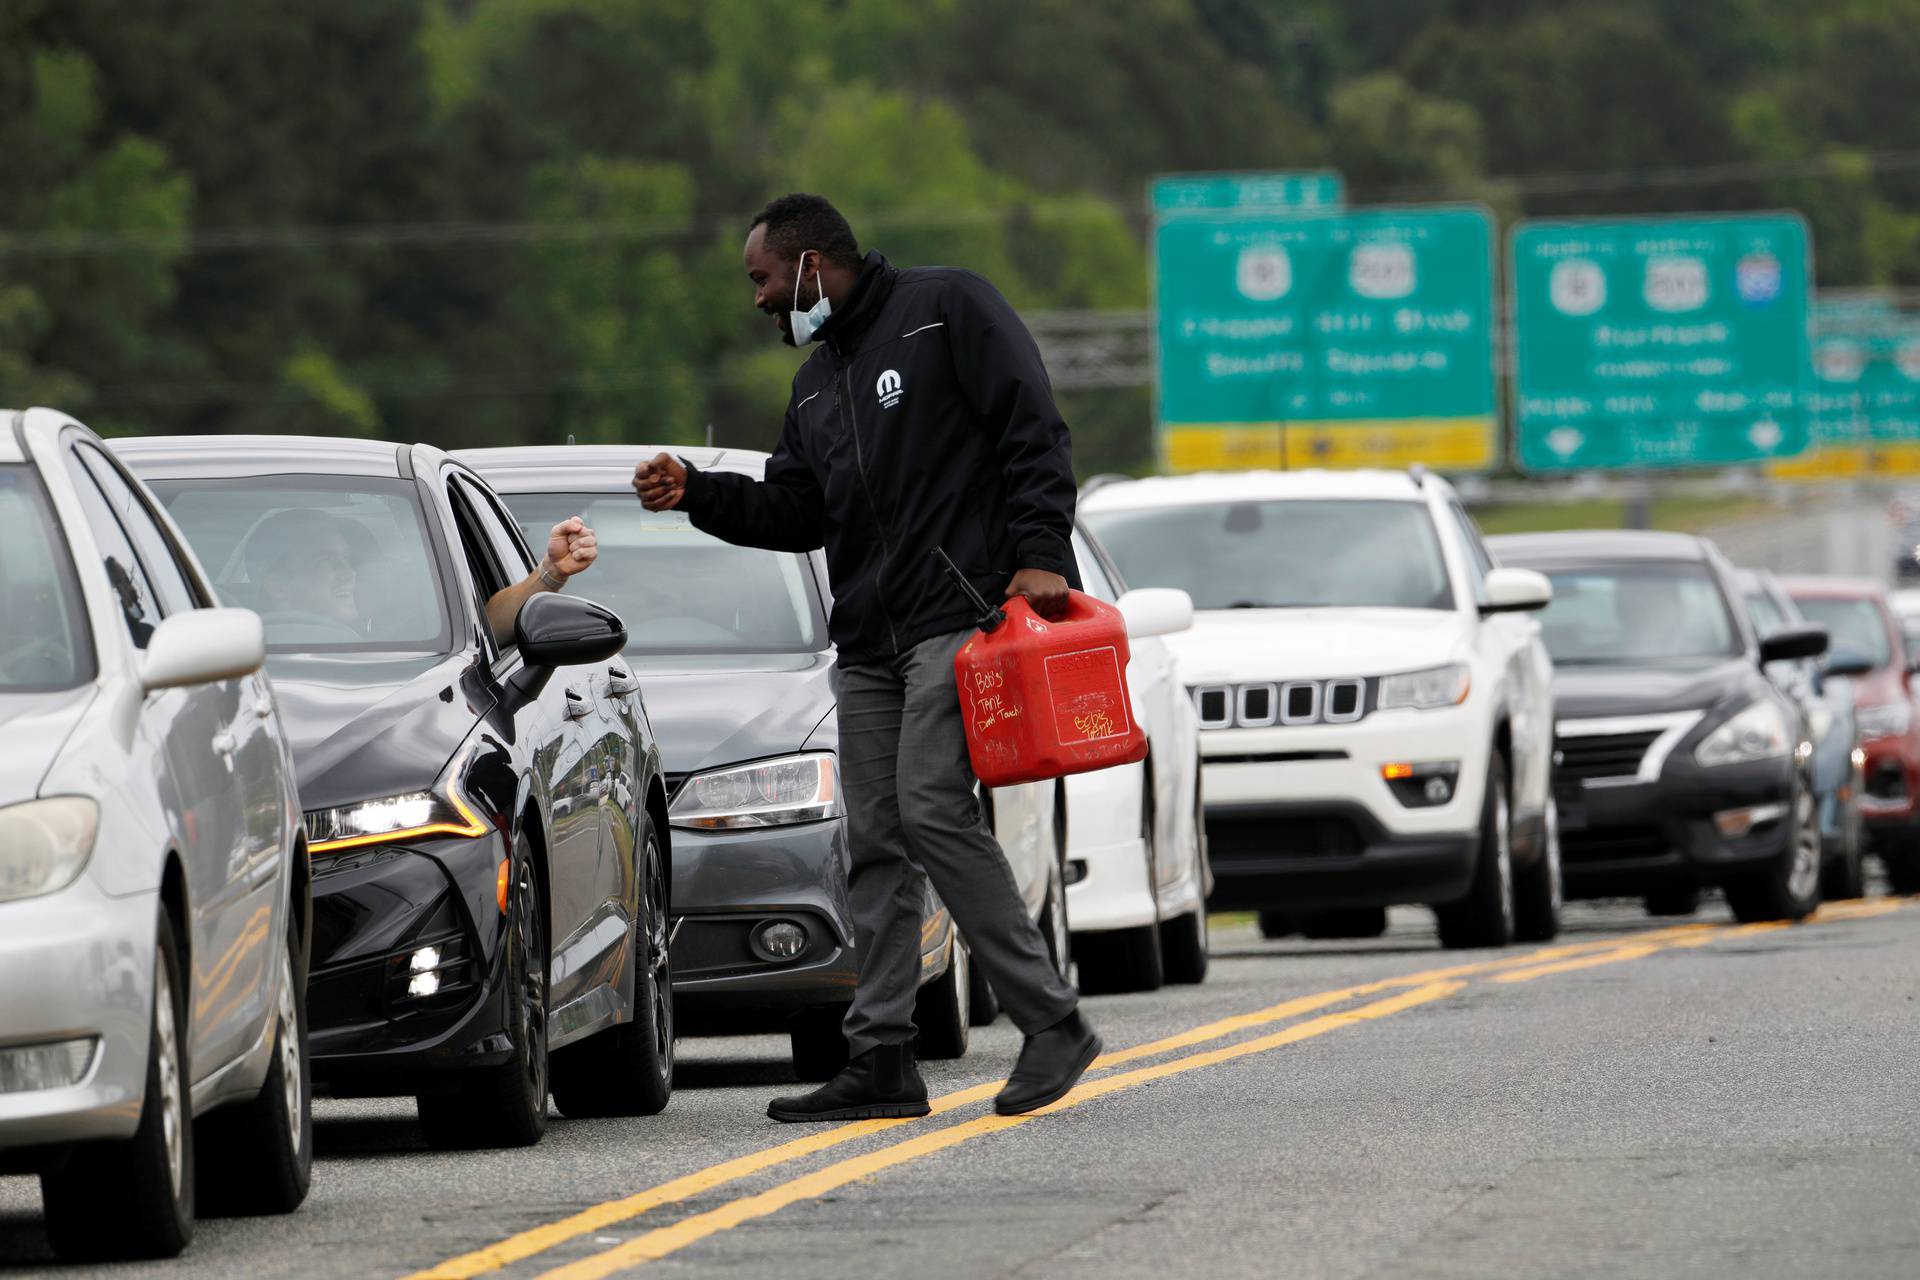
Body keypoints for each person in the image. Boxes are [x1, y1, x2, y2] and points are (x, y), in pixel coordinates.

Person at [634, 193, 1100, 1123]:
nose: (760, 299)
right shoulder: (814, 385)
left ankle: (1052, 1020)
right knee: (876, 842)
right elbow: (796, 511)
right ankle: (883, 1058)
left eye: (763, 279)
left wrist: (1041, 552)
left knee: (931, 812)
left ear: (812, 263)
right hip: (869, 642)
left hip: (956, 617)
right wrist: (699, 494)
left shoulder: (946, 309)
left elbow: (1033, 429)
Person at [243, 507, 599, 645]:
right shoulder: (229, 666)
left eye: (348, 560)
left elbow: (482, 636)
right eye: (325, 561)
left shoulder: (417, 645)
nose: (347, 572)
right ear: (278, 587)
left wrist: (549, 574)